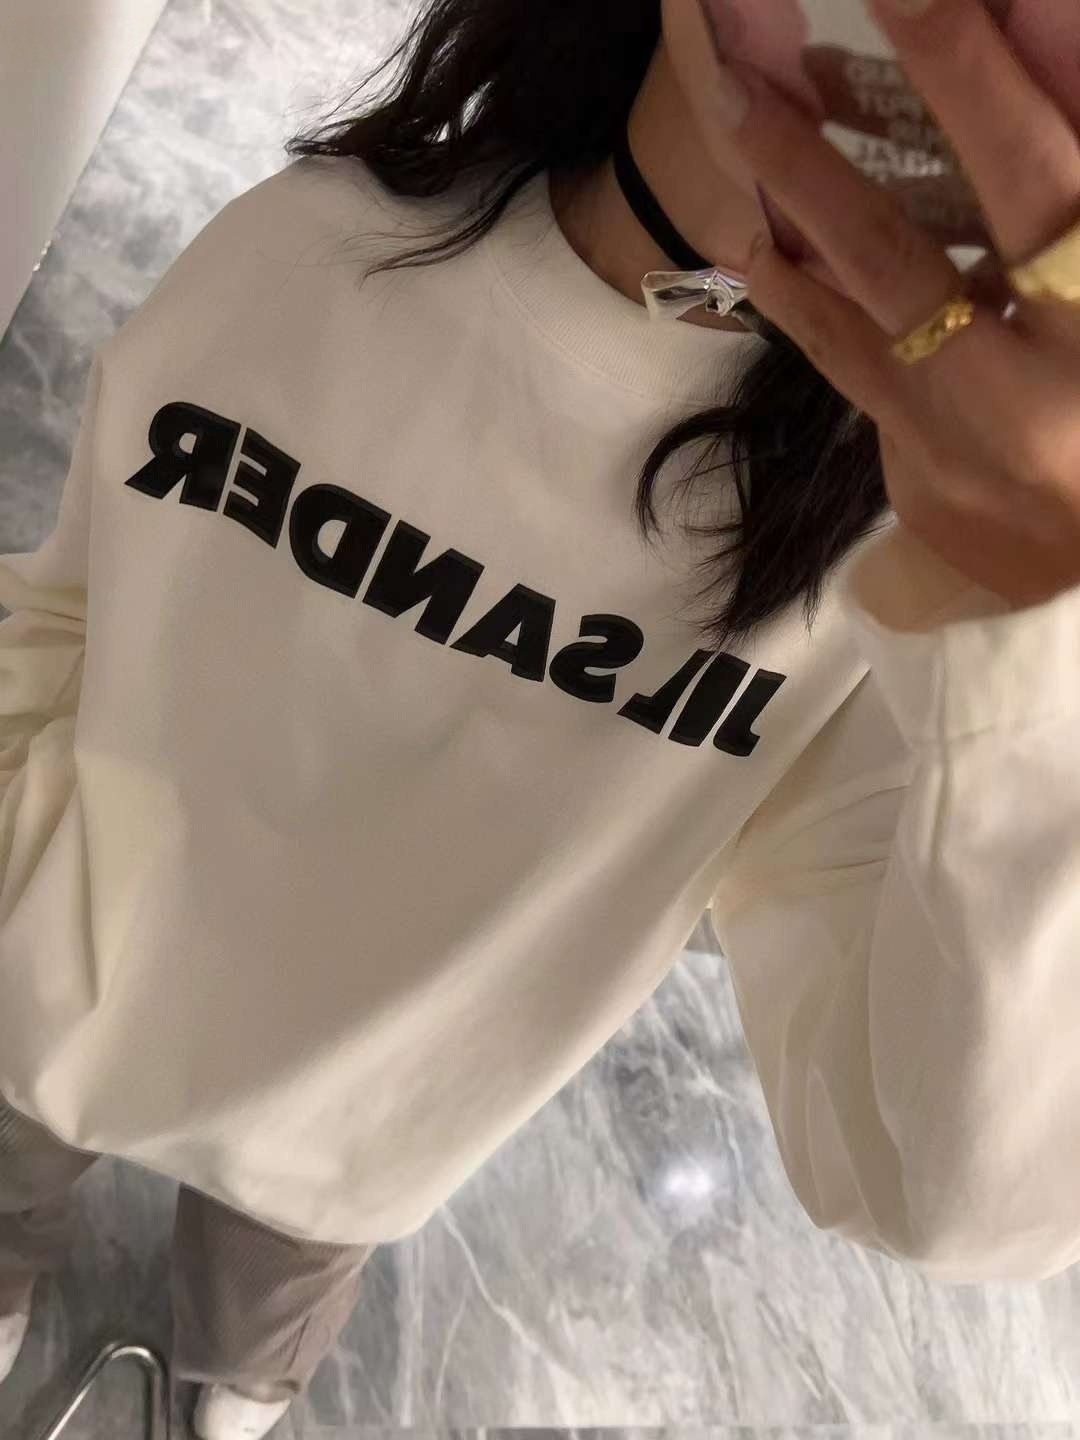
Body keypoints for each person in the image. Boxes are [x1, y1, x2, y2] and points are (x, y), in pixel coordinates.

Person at [3, 0, 1080, 1436]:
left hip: (366, 1144)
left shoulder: (907, 581)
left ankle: (240, 1380)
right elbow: (74, 600)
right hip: (45, 1019)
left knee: (258, 1328)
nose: (961, 48)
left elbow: (958, 1194)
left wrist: (1035, 617)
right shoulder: (320, 247)